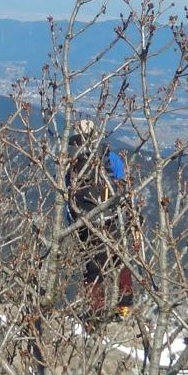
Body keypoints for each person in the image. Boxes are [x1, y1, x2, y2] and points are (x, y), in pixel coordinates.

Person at [65, 119, 134, 321]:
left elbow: (68, 197)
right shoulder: (109, 157)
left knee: (93, 268)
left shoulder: (72, 163)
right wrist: (128, 214)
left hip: (86, 222)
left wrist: (73, 225)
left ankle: (96, 311)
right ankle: (124, 306)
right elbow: (122, 186)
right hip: (112, 217)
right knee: (120, 261)